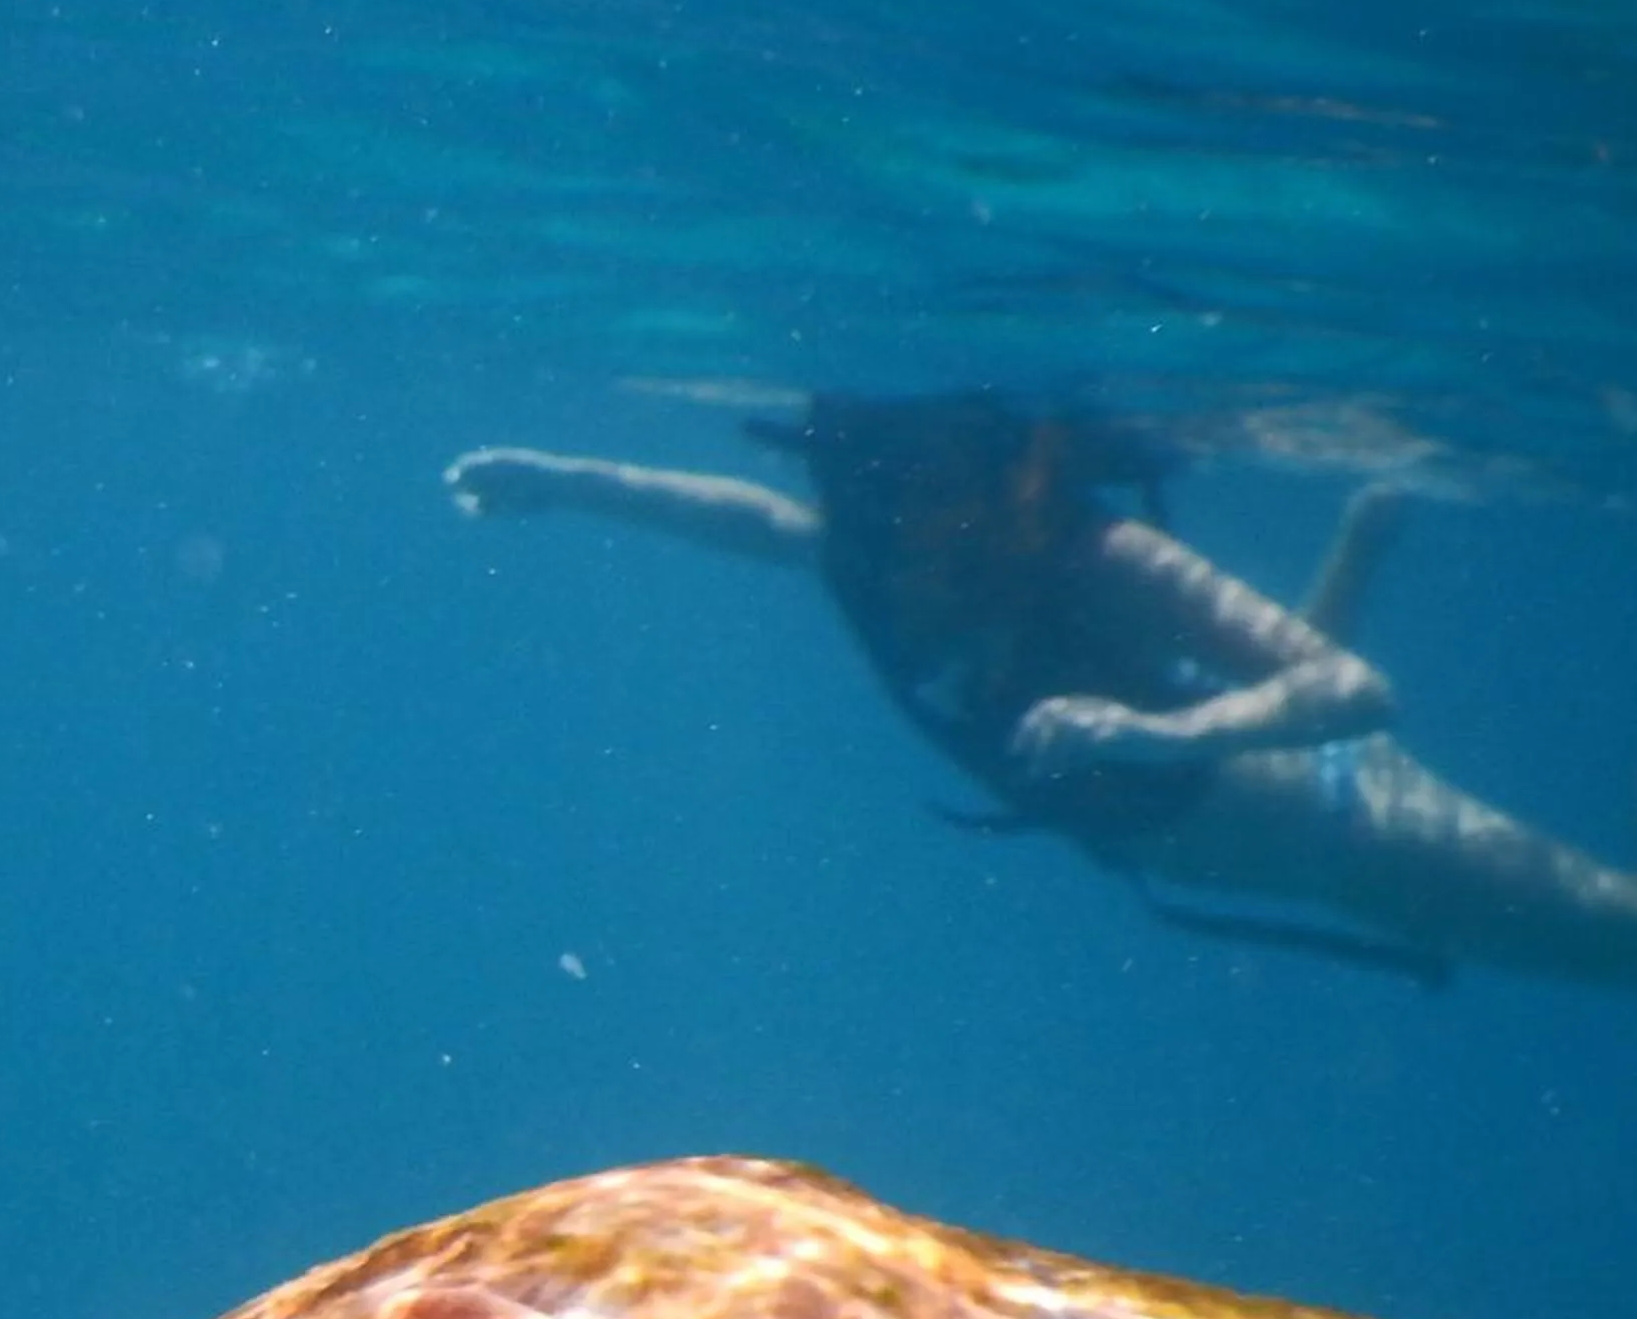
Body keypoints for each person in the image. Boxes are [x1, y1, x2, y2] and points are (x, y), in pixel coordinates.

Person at [446, 393, 1637, 990]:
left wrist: (1156, 736)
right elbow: (744, 518)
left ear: (994, 477)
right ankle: (1367, 530)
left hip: (1347, 823)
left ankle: (1370, 526)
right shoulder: (866, 553)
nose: (893, 525)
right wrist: (567, 480)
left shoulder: (1095, 556)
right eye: (867, 489)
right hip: (1227, 833)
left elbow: (1355, 692)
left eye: (920, 487)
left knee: (1613, 939)